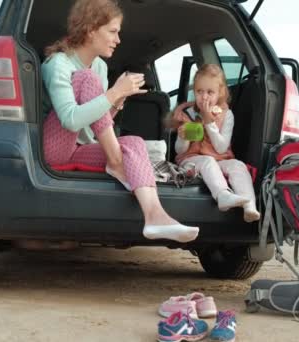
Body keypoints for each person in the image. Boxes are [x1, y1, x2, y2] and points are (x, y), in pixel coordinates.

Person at [41, 0, 198, 243]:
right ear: (91, 29)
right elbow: (71, 120)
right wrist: (112, 94)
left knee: (134, 142)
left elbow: (96, 125)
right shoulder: (58, 63)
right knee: (87, 79)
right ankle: (116, 162)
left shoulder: (101, 67)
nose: (118, 40)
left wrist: (116, 101)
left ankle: (155, 216)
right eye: (113, 32)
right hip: (54, 149)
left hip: (79, 149)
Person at [173, 64, 261, 223]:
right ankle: (223, 195)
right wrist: (182, 138)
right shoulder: (188, 114)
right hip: (192, 160)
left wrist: (209, 122)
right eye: (199, 91)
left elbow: (221, 148)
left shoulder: (227, 115)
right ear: (194, 91)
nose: (204, 97)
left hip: (220, 159)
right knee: (207, 161)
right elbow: (180, 151)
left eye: (210, 92)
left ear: (220, 93)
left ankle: (249, 205)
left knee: (238, 165)